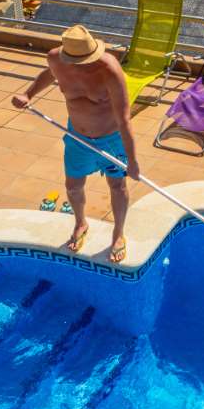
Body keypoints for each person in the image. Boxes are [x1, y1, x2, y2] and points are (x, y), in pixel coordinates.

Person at [12, 25, 139, 264]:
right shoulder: (55, 58)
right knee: (73, 187)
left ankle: (118, 233)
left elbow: (124, 119)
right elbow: (49, 73)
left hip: (111, 140)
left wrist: (132, 161)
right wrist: (28, 94)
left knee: (118, 186)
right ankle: (80, 222)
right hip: (77, 139)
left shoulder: (109, 70)